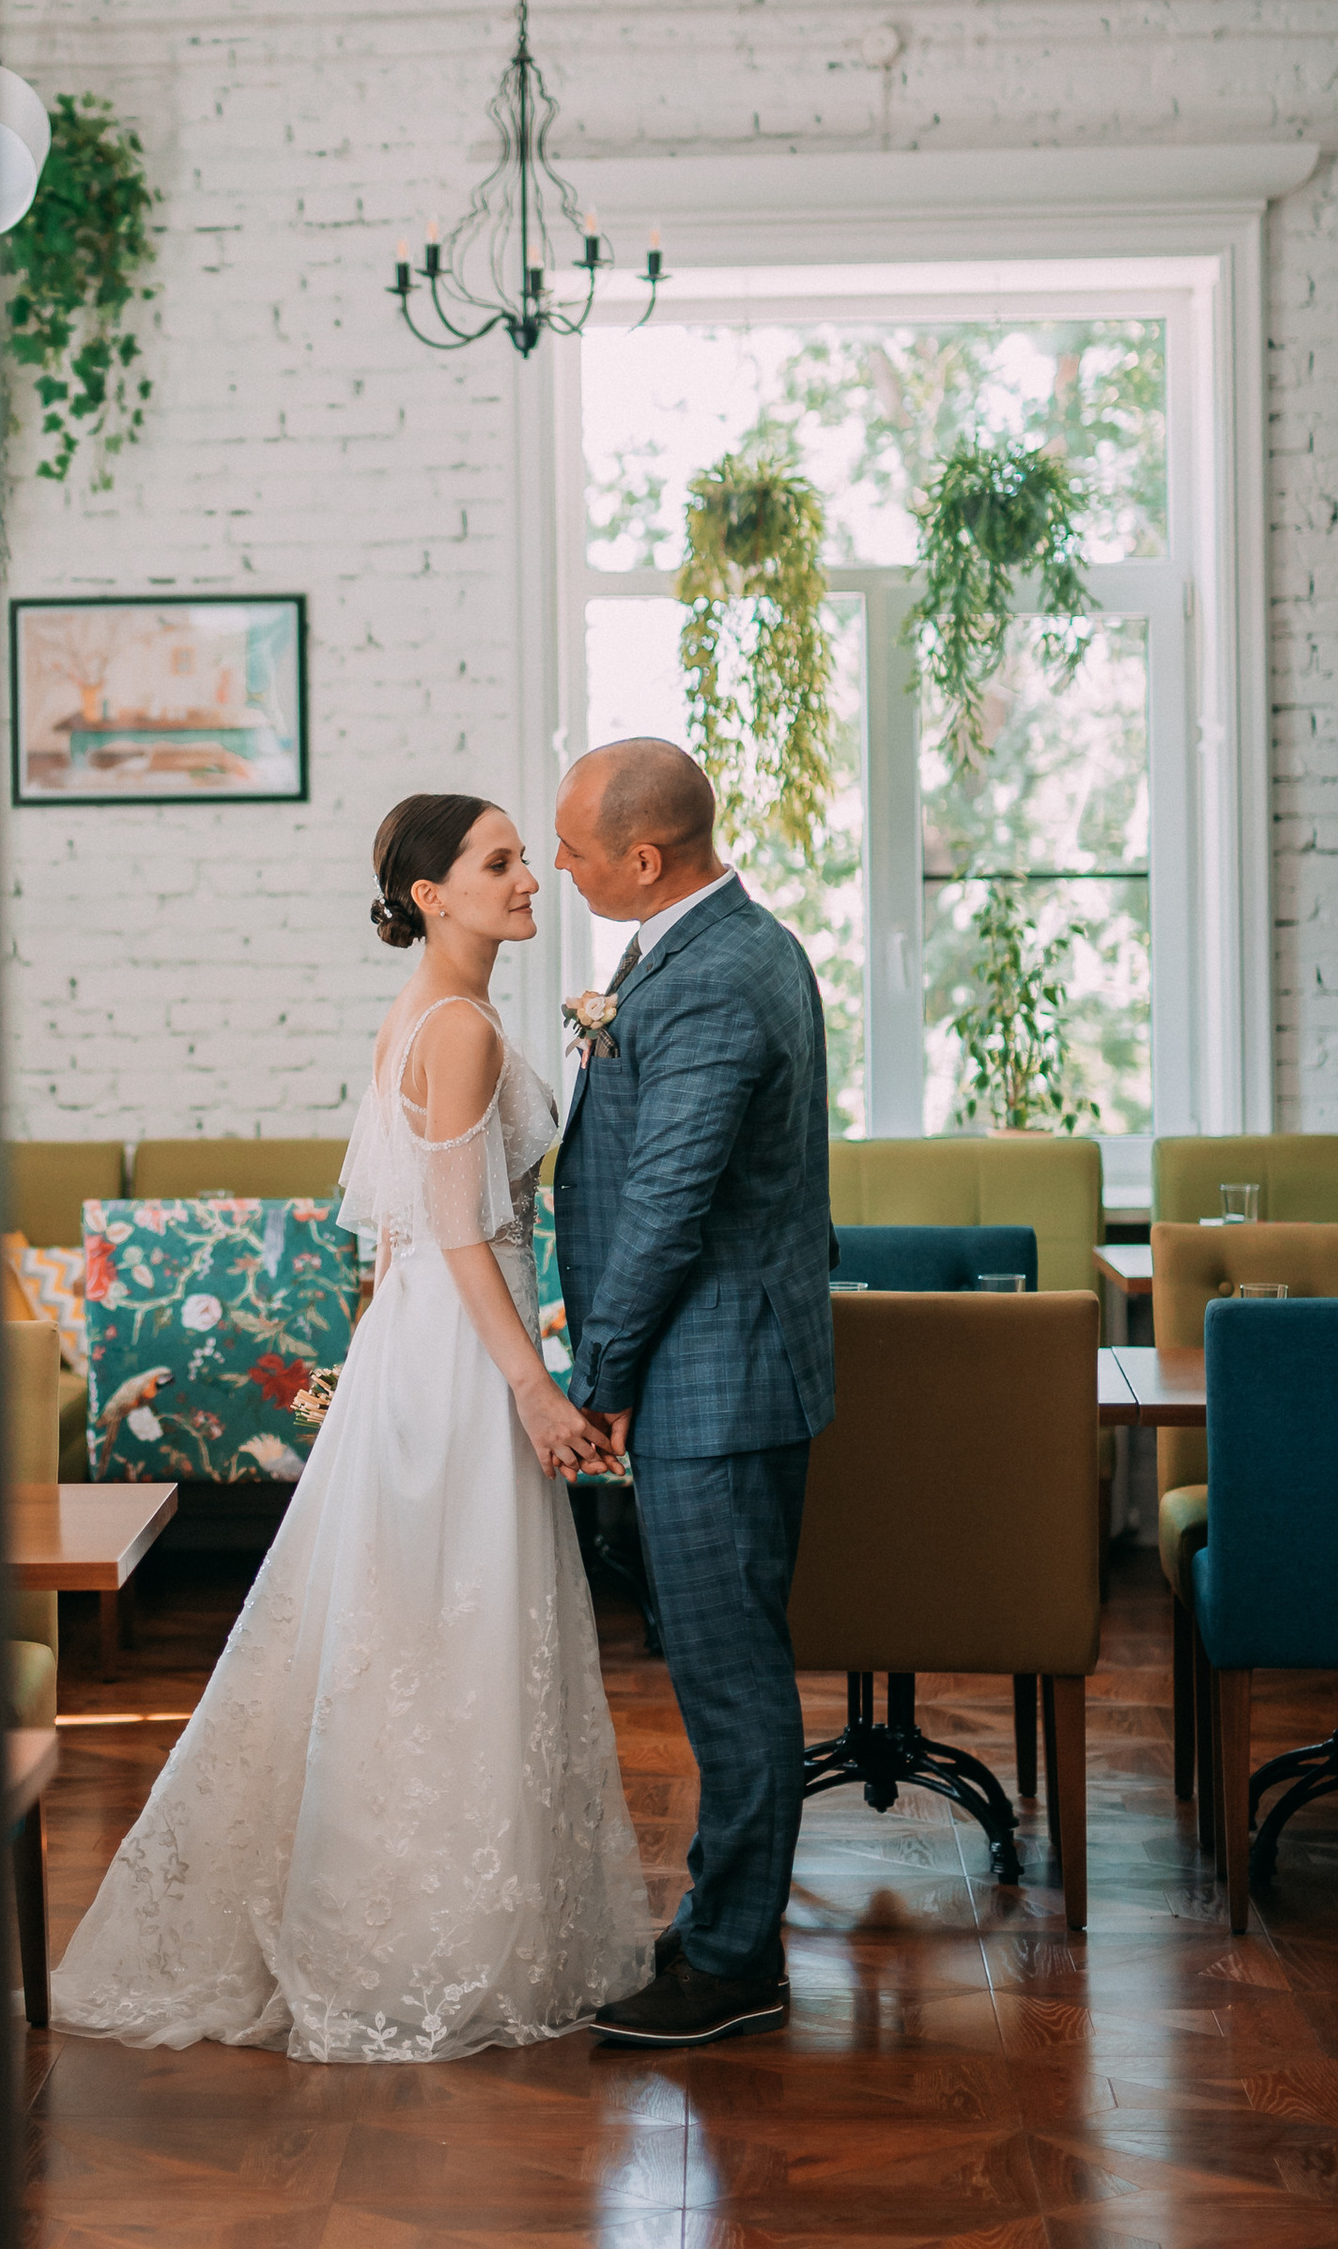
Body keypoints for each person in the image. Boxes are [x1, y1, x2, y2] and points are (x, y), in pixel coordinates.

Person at [49, 794, 650, 2061]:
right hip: (460, 1362)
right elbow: (448, 1230)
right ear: (431, 893)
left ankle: (410, 1916)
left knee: (412, 1632)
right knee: (447, 1630)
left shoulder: (423, 1017)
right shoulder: (463, 1031)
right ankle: (417, 1940)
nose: (529, 875)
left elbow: (400, 1247)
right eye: (500, 860)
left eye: (524, 855)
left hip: (418, 1355)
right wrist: (533, 1387)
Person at [549, 736, 836, 2046]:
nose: (562, 864)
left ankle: (732, 1962)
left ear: (645, 856)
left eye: (577, 846)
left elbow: (668, 1200)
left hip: (713, 1383)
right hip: (701, 1375)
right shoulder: (693, 946)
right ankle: (724, 1927)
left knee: (730, 1679)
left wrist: (598, 1373)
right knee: (720, 1667)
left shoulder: (718, 970)